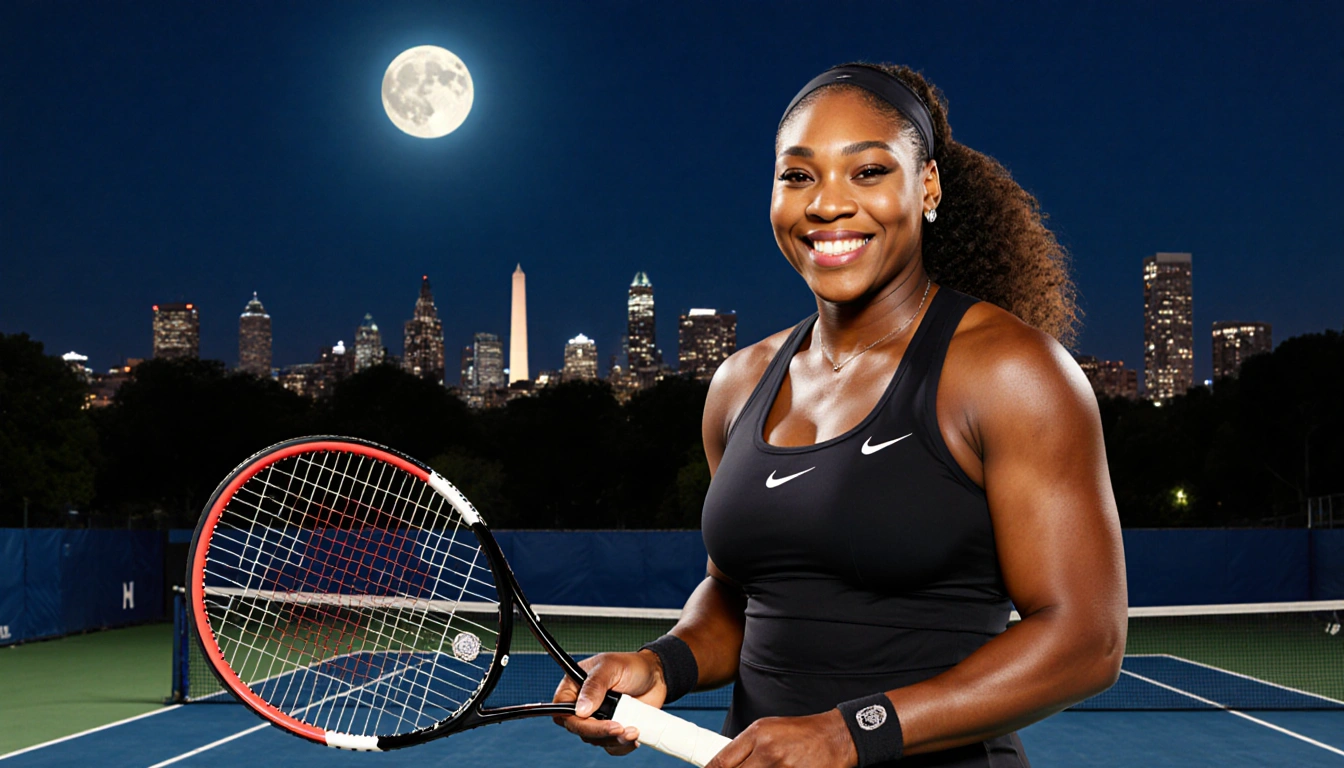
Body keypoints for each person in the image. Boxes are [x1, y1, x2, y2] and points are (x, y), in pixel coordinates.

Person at [554, 62, 1127, 768]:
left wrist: (849, 733)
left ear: (927, 187)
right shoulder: (738, 384)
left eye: (868, 171)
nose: (827, 204)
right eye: (798, 176)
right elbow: (739, 596)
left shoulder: (1010, 372)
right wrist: (661, 663)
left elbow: (1086, 641)